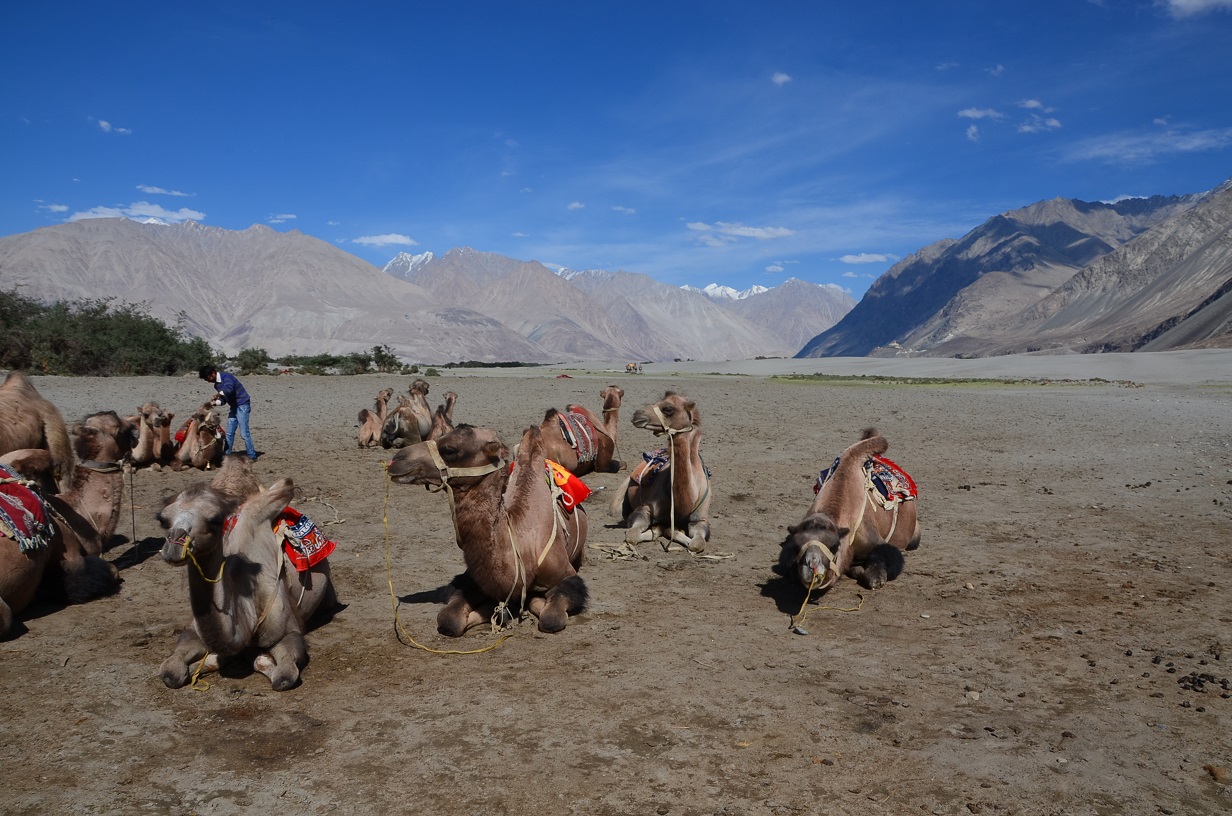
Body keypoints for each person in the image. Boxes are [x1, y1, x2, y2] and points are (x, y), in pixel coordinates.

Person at [198, 365, 259, 461]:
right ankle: (226, 455)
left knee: (244, 433)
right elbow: (224, 399)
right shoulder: (216, 385)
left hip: (242, 404)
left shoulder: (226, 377)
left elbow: (229, 390)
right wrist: (214, 403)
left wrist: (218, 395)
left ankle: (252, 456)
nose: (208, 381)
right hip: (234, 406)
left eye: (208, 378)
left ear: (213, 373)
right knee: (229, 433)